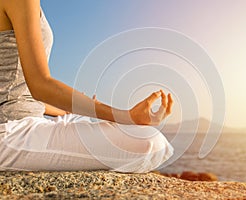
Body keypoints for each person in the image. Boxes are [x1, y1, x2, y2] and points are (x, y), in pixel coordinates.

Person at [0, 0, 174, 172]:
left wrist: (66, 110)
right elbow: (40, 85)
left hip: (28, 121)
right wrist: (126, 116)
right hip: (10, 131)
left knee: (89, 121)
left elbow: (20, 92)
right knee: (150, 142)